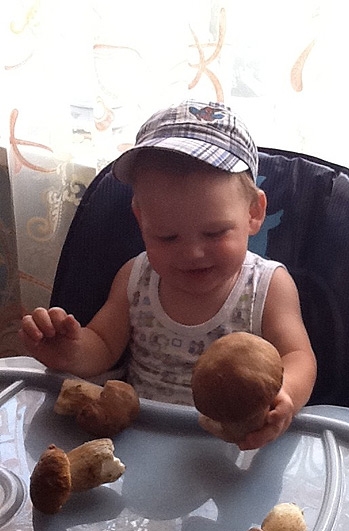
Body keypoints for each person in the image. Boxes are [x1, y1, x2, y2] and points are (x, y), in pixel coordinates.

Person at [20, 100, 317, 450]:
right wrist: (69, 352)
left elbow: (298, 357)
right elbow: (103, 345)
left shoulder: (268, 286)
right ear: (140, 220)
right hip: (138, 437)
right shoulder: (136, 278)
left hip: (231, 444)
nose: (192, 253)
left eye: (215, 233)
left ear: (254, 213)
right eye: (167, 237)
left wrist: (286, 395)